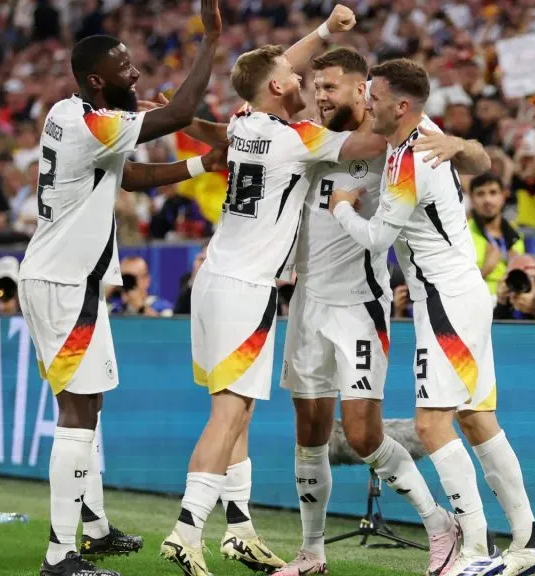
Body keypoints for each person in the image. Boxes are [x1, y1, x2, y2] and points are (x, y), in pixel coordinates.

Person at [160, 14, 401, 575]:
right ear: (276, 86)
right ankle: (186, 528)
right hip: (245, 289)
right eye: (294, 78)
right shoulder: (298, 140)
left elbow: (253, 91)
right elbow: (368, 140)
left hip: (213, 279)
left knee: (238, 413)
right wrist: (398, 113)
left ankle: (240, 528)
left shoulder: (246, 126)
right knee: (229, 413)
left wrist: (322, 30)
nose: (305, 84)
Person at [16, 0, 225, 573]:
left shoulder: (69, 113)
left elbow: (130, 176)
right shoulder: (93, 123)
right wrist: (210, 42)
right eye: (124, 67)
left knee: (91, 406)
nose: (135, 74)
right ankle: (61, 555)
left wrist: (203, 168)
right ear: (95, 80)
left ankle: (96, 528)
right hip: (63, 284)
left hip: (69, 281)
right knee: (76, 414)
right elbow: (180, 113)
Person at [327, 59, 535, 576]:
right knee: (476, 419)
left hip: (446, 299)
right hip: (459, 292)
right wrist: (465, 146)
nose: (368, 103)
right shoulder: (422, 133)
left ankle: (474, 549)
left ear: (401, 106)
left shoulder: (411, 160)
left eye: (375, 97)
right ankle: (530, 538)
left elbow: (377, 240)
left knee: (432, 425)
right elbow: (477, 157)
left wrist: (342, 206)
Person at [276, 44, 459, 576]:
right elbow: (267, 88)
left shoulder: (398, 143)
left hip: (360, 307)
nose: (321, 97)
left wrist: (464, 146)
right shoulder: (311, 139)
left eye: (331, 87)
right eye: (317, 88)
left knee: (361, 437)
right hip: (307, 302)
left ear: (364, 90)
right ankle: (312, 552)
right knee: (309, 432)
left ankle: (437, 522)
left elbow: (446, 146)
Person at [466, 172, 523, 298]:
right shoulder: (462, 234)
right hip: (475, 302)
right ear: (472, 198)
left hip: (509, 307)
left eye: (493, 192)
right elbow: (453, 286)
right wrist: (485, 269)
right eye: (480, 194)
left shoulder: (516, 236)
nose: (487, 200)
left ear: (504, 196)